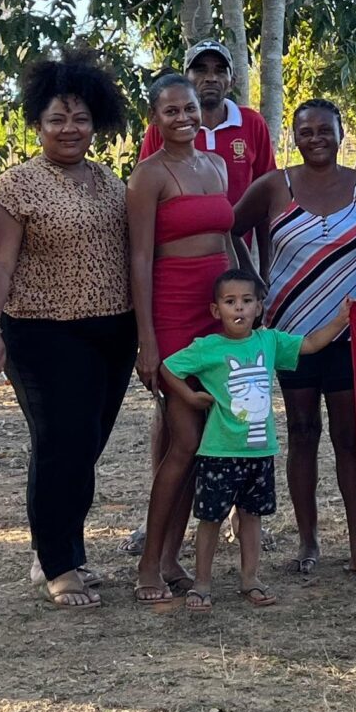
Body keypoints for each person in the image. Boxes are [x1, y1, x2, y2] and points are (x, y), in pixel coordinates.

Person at [0, 49, 136, 609]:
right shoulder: (13, 189)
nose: (70, 128)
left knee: (87, 444)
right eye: (57, 119)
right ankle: (57, 563)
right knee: (60, 442)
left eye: (81, 118)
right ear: (37, 124)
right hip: (43, 334)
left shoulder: (111, 183)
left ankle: (62, 546)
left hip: (113, 331)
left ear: (98, 123)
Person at [229, 98, 356, 583]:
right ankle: (308, 542)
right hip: (290, 334)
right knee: (302, 433)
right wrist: (248, 285)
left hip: (351, 335)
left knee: (351, 439)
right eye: (307, 131)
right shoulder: (273, 186)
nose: (317, 138)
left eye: (326, 129)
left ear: (341, 133)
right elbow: (228, 229)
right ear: (295, 137)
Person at [158, 268, 353, 611]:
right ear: (216, 311)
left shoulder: (270, 341)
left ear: (259, 308)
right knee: (211, 519)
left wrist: (340, 321)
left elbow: (309, 344)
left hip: (260, 453)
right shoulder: (208, 348)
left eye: (247, 301)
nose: (239, 309)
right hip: (218, 453)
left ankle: (251, 578)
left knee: (252, 517)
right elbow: (169, 368)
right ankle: (202, 582)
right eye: (230, 302)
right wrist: (189, 398)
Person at [129, 72, 239, 605]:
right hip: (172, 315)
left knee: (206, 444)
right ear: (156, 117)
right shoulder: (148, 176)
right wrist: (147, 341)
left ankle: (172, 558)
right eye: (171, 111)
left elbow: (226, 239)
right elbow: (140, 258)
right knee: (185, 441)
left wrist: (245, 309)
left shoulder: (216, 165)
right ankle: (150, 563)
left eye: (190, 108)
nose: (183, 118)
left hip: (217, 313)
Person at [138, 39, 278, 206]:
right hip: (177, 231)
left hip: (238, 232)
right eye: (200, 70)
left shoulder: (252, 123)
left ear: (232, 81)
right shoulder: (166, 126)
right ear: (185, 80)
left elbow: (267, 190)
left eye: (220, 71)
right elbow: (144, 190)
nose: (211, 78)